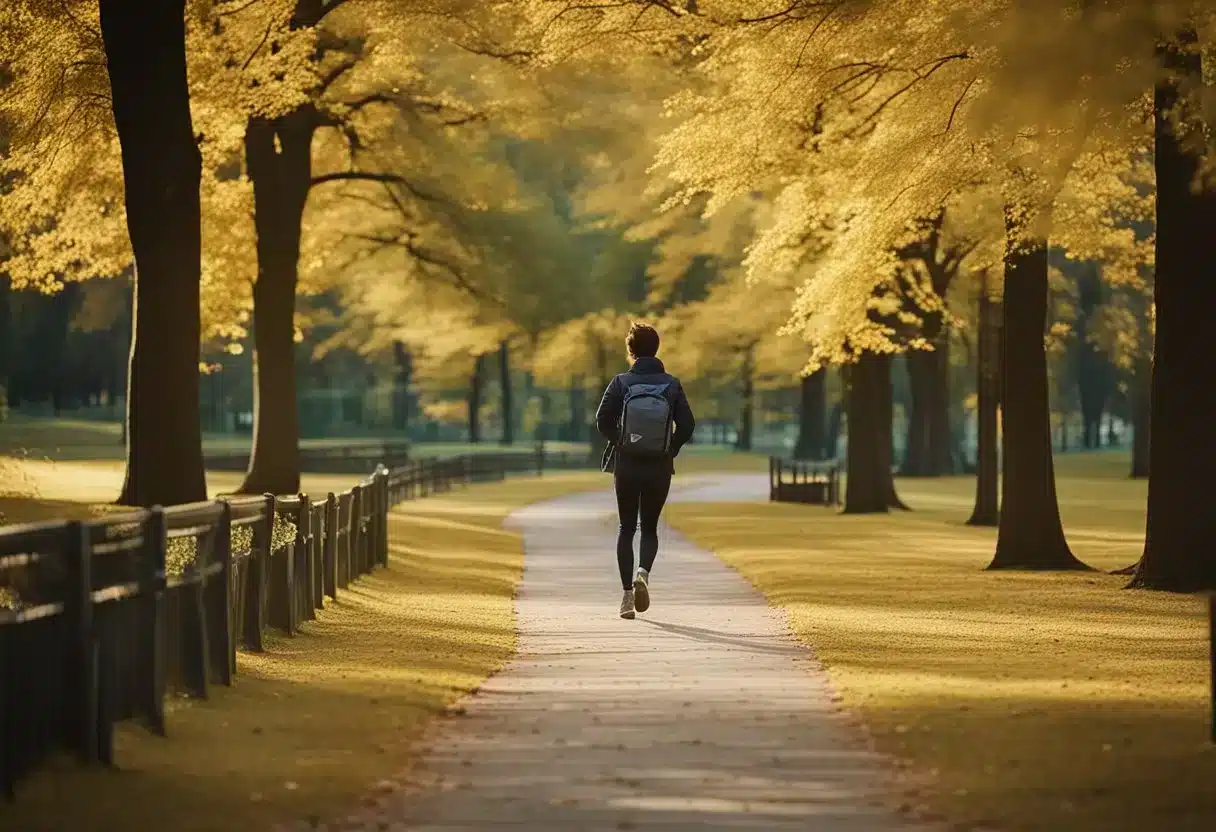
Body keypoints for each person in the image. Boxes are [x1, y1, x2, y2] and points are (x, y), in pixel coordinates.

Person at [595, 322, 695, 619]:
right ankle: (643, 573)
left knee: (627, 528)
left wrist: (621, 442)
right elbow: (687, 424)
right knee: (649, 527)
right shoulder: (671, 384)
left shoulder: (621, 382)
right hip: (659, 466)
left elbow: (602, 420)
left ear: (631, 350)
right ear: (657, 348)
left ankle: (627, 596)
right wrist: (670, 448)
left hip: (627, 465)